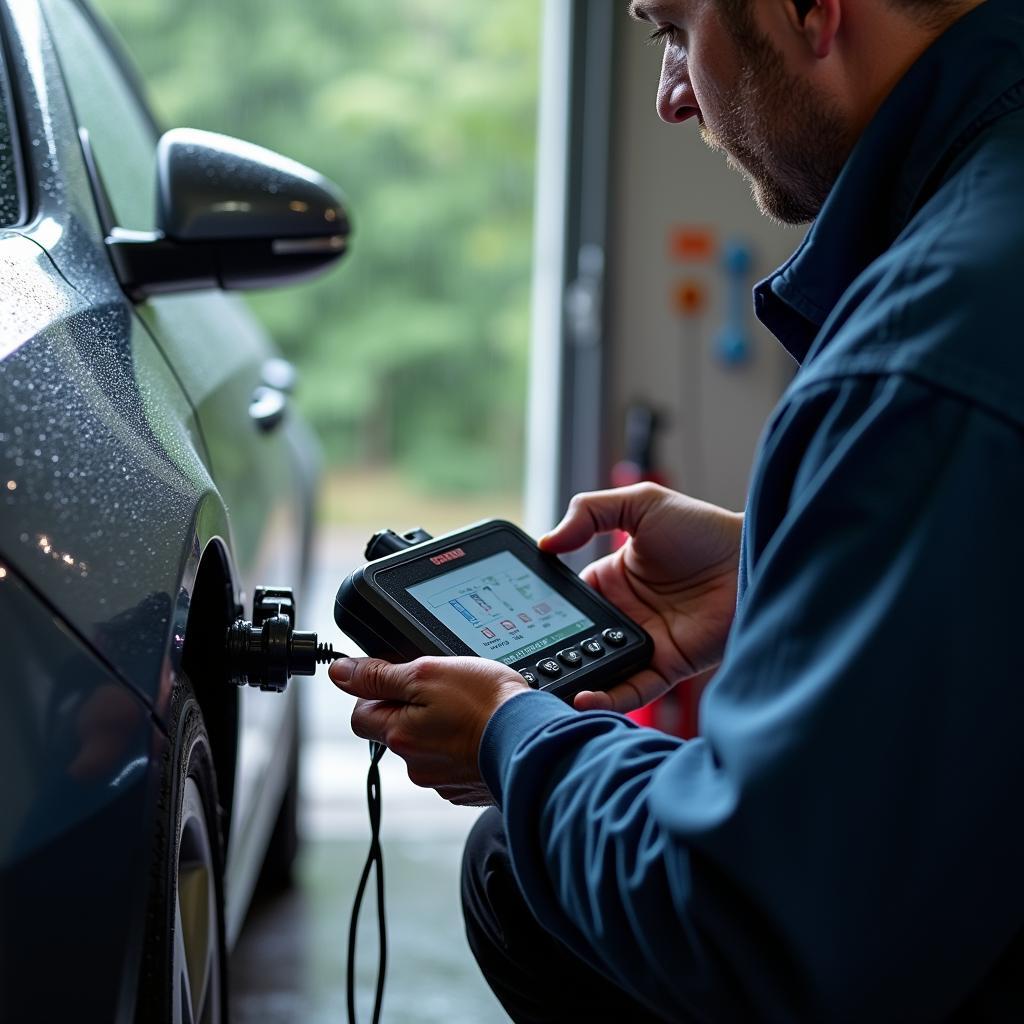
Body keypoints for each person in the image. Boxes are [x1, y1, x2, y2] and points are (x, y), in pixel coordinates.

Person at [329, 0, 1024, 1017]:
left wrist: (511, 737)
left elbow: (748, 921)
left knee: (517, 872)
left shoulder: (918, 356)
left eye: (669, 31)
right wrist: (784, 566)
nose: (670, 98)